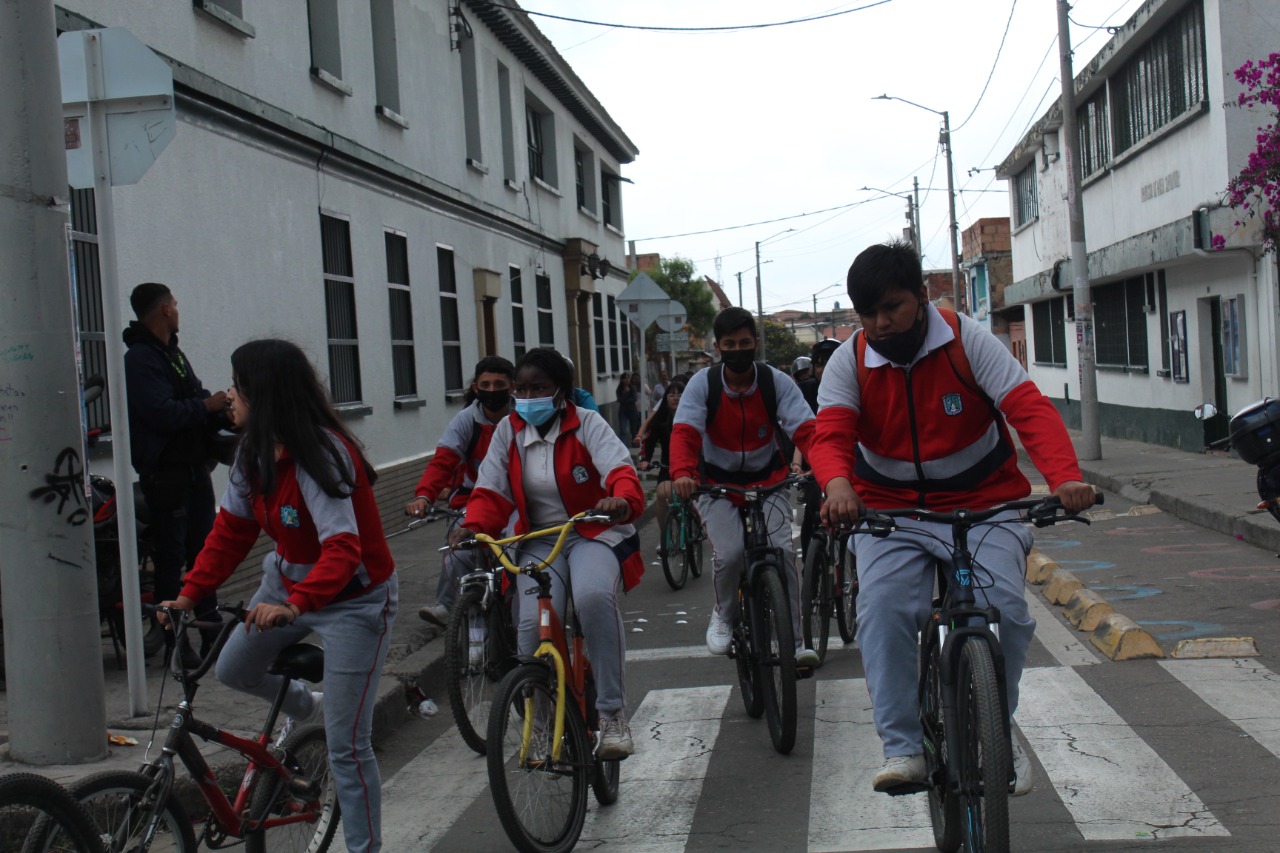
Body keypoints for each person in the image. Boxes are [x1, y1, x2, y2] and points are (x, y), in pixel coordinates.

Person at [810, 240, 1095, 796]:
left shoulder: (968, 341)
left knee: (1007, 613)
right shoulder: (851, 360)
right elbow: (832, 433)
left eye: (891, 307)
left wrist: (1064, 478)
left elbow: (1027, 407)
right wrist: (838, 483)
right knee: (884, 609)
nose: (880, 323)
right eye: (867, 314)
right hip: (891, 512)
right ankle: (903, 747)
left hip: (985, 504)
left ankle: (996, 731)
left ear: (921, 296)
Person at [161, 338, 397, 853]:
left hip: (357, 601)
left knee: (348, 748)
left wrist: (295, 605)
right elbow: (230, 533)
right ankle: (308, 705)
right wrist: (187, 594)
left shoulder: (321, 454)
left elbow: (344, 548)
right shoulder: (251, 453)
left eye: (236, 386)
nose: (228, 396)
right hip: (287, 585)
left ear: (261, 394)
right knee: (232, 669)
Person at [449, 347, 645, 759]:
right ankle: (539, 724)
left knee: (593, 599)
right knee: (529, 628)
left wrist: (621, 499)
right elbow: (490, 490)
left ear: (560, 391)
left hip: (590, 531)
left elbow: (620, 471)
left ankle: (612, 716)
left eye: (538, 388)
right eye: (521, 389)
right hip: (539, 539)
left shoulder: (588, 423)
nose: (527, 396)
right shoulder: (508, 431)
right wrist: (473, 525)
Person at [669, 307, 820, 668]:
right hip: (715, 486)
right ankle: (723, 615)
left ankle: (797, 642)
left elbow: (808, 431)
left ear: (756, 343)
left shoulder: (774, 382)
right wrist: (682, 474)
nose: (739, 349)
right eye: (730, 344)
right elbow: (685, 434)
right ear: (718, 348)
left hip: (768, 482)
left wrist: (830, 473)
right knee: (732, 554)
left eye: (746, 343)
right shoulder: (702, 385)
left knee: (783, 554)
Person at [122, 282, 226, 665]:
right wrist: (205, 406)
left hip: (194, 471)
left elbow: (195, 395)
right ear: (164, 309)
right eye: (176, 304)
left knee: (205, 555)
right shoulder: (140, 360)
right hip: (166, 475)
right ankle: (176, 646)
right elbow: (161, 413)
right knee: (171, 560)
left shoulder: (173, 354)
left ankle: (211, 635)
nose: (179, 310)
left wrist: (217, 405)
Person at [405, 356, 515, 626]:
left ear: (512, 387)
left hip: (516, 501)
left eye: (499, 384)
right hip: (473, 500)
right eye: (485, 384)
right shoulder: (466, 421)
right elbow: (443, 460)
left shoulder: (522, 417)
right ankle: (447, 604)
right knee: (457, 550)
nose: (491, 390)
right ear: (476, 388)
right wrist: (424, 495)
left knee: (518, 552)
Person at [791, 338, 842, 556]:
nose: (824, 368)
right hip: (817, 460)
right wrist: (796, 463)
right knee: (813, 509)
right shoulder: (807, 391)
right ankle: (811, 571)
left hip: (850, 461)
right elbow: (804, 432)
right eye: (819, 364)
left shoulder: (858, 386)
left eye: (831, 361)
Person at [638, 376, 687, 549]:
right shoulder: (660, 419)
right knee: (662, 494)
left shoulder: (694, 415)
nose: (676, 398)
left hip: (690, 466)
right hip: (668, 465)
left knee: (694, 498)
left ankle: (695, 528)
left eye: (680, 394)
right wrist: (645, 460)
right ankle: (665, 535)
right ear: (665, 398)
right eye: (672, 394)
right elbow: (649, 441)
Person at [615, 372, 641, 448]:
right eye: (625, 378)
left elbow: (634, 399)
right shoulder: (619, 389)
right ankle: (623, 447)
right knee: (623, 430)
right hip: (623, 411)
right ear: (622, 380)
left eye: (628, 378)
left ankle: (635, 447)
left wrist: (625, 398)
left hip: (632, 411)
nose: (627, 380)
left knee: (634, 431)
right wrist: (625, 394)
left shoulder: (633, 388)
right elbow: (619, 399)